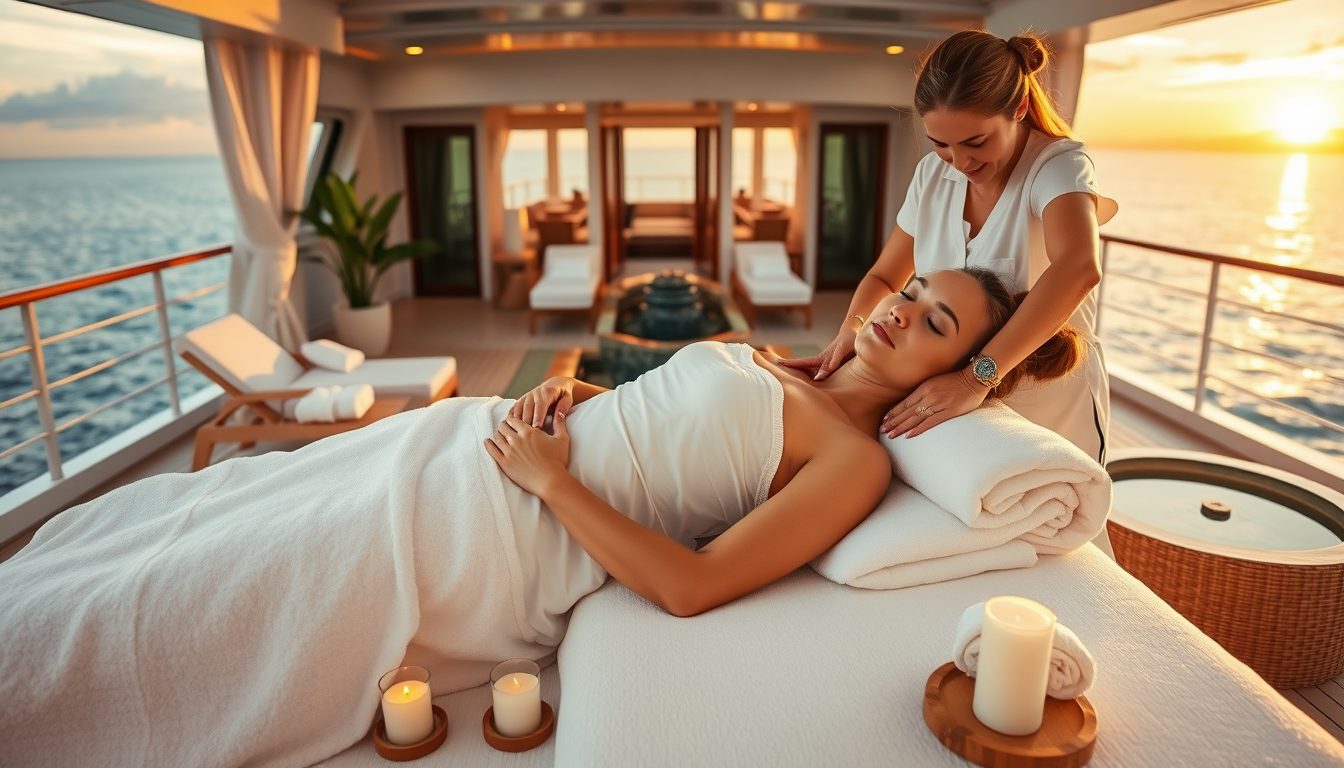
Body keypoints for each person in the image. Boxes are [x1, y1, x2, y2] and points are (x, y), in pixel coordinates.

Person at [0, 268, 1077, 768]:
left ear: (958, 368)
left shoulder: (849, 462)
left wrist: (554, 479)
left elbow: (689, 587)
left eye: (936, 321)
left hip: (506, 530)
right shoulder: (784, 363)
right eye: (913, 290)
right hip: (467, 442)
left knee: (204, 595)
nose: (900, 308)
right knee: (202, 517)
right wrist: (582, 399)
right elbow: (671, 426)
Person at [783, 30, 1117, 462]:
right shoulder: (931, 176)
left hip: (1046, 397)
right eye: (941, 144)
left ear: (1018, 108)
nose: (960, 163)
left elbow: (1078, 268)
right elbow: (886, 276)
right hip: (949, 399)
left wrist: (976, 380)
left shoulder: (1057, 166)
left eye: (976, 142)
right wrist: (852, 328)